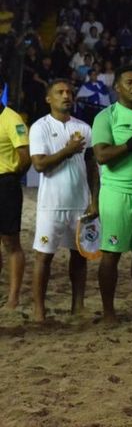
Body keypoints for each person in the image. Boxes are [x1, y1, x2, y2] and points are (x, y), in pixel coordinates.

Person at [29, 80, 99, 322]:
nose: (66, 96)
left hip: (80, 204)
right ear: (48, 98)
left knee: (79, 257)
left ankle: (77, 306)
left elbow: (91, 167)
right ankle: (39, 310)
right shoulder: (40, 127)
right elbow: (39, 164)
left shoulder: (84, 128)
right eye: (60, 92)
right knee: (44, 257)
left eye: (69, 92)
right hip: (51, 205)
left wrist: (95, 200)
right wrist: (67, 150)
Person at [92, 66, 132, 324]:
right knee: (111, 254)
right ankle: (109, 312)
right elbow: (101, 155)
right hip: (117, 194)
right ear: (117, 87)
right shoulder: (106, 116)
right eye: (129, 82)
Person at [0, 102, 31, 310]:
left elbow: (25, 157)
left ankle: (13, 298)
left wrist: (12, 178)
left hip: (5, 183)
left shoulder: (12, 119)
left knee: (11, 242)